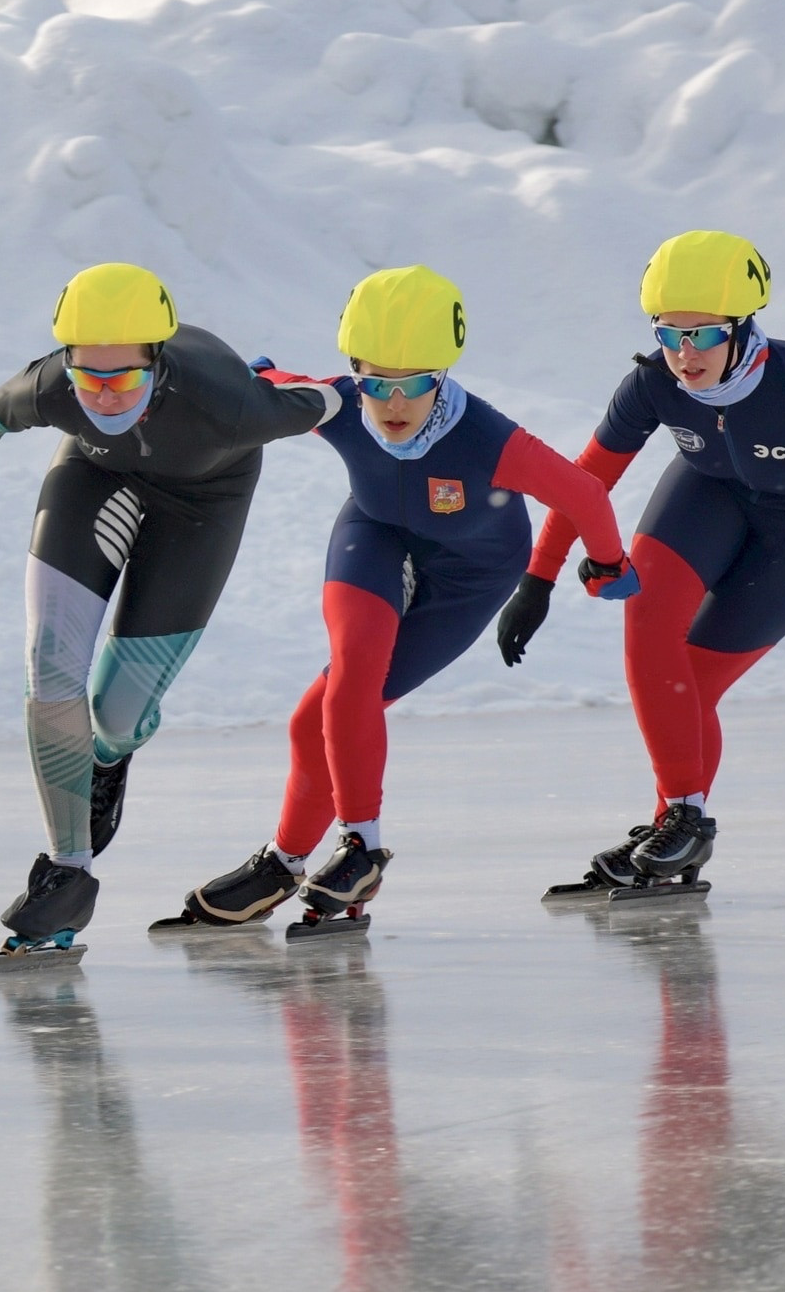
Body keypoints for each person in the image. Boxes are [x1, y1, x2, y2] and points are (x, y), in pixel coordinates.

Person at [164, 268, 635, 930]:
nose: (391, 401)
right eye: (376, 379)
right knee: (330, 698)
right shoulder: (343, 402)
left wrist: (608, 563)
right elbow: (262, 388)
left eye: (413, 382)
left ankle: (354, 846)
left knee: (331, 710)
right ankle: (295, 861)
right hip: (376, 534)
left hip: (473, 573)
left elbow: (583, 494)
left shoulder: (488, 439)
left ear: (441, 375)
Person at [0, 261, 337, 953]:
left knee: (116, 715)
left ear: (157, 364)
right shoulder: (53, 386)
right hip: (96, 474)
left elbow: (330, 398)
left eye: (124, 378)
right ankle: (67, 872)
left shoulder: (233, 404)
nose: (103, 395)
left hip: (203, 501)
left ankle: (106, 755)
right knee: (50, 664)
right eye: (87, 377)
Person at [495, 232, 785, 892]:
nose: (684, 354)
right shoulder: (652, 384)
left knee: (696, 684)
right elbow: (583, 481)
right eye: (669, 334)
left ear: (743, 326)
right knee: (649, 632)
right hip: (709, 489)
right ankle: (681, 821)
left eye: (704, 335)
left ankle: (676, 825)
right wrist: (535, 582)